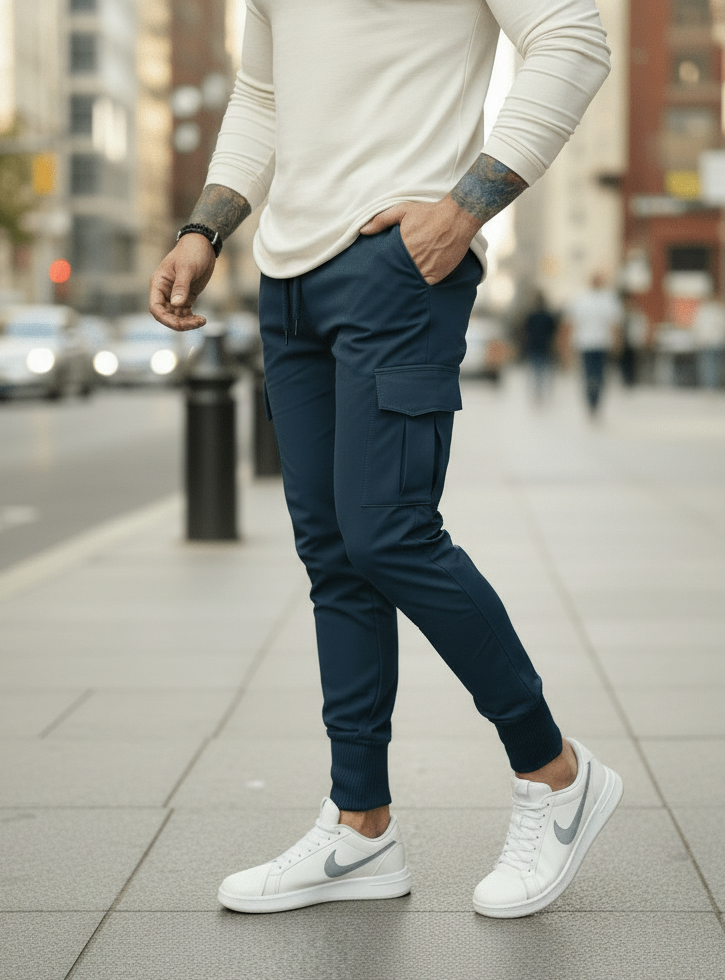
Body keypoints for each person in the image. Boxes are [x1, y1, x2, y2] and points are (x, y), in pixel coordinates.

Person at [149, 0, 621, 919]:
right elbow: (262, 92)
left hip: (395, 266)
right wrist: (206, 227)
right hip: (286, 281)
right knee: (334, 555)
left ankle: (554, 773)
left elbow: (572, 37)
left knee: (390, 534)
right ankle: (360, 827)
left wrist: (462, 211)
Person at [562, 273, 623, 415]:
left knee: (597, 374)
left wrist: (617, 341)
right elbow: (571, 323)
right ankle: (592, 401)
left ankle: (594, 401)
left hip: (600, 343)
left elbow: (614, 324)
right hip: (587, 343)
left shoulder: (607, 299)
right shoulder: (584, 299)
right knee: (591, 374)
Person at [691, 294, 725, 390]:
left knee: (710, 366)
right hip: (718, 342)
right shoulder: (724, 311)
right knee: (716, 366)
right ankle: (714, 386)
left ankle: (711, 386)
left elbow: (698, 326)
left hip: (711, 342)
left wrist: (699, 338)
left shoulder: (706, 311)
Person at [522, 292, 557, 399]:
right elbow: (553, 332)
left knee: (536, 371)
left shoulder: (531, 316)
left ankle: (538, 391)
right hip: (544, 347)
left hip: (535, 346)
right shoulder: (548, 317)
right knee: (542, 371)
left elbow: (525, 332)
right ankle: (541, 391)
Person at [621, 297, 649, 388]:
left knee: (633, 362)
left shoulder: (637, 316)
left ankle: (632, 380)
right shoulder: (622, 316)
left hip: (634, 342)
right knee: (624, 361)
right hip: (624, 343)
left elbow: (642, 328)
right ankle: (625, 379)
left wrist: (642, 340)